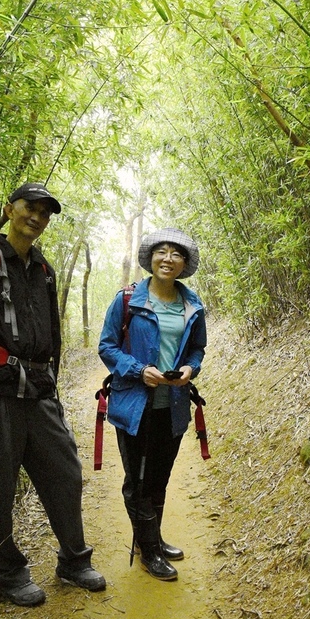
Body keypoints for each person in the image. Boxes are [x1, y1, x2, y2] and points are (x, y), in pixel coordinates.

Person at [0, 182, 105, 606]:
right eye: (29, 208)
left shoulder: (44, 268)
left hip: (38, 394)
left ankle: (74, 560)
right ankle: (8, 576)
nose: (37, 217)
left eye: (45, 212)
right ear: (10, 210)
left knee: (66, 473)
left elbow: (52, 333)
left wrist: (52, 384)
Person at [98, 228, 207, 581]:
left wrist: (191, 368)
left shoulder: (192, 305)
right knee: (139, 480)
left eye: (177, 254)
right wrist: (138, 369)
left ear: (184, 264)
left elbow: (196, 349)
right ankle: (150, 552)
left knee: (159, 478)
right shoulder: (128, 300)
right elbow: (107, 346)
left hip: (172, 405)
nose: (168, 259)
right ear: (152, 258)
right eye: (162, 251)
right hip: (134, 406)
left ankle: (152, 540)